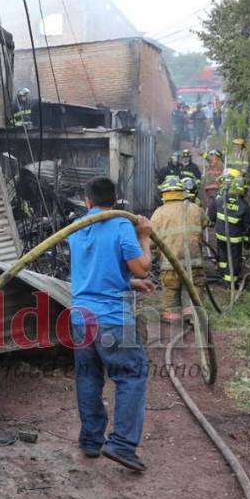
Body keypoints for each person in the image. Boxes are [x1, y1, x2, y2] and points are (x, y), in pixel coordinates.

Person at [67, 177, 154, 471]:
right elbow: (142, 265)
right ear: (115, 200)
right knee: (132, 373)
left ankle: (91, 440)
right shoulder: (121, 226)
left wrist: (129, 283)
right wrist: (144, 236)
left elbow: (93, 272)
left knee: (88, 376)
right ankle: (122, 445)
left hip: (81, 318)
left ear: (87, 201)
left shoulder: (76, 230)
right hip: (113, 319)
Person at [151, 176, 210, 322]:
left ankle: (172, 320)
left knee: (171, 292)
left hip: (169, 265)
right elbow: (206, 224)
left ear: (164, 194)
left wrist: (151, 259)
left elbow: (151, 241)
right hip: (195, 263)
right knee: (195, 290)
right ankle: (193, 318)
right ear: (183, 192)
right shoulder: (196, 209)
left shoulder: (159, 213)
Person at [208, 171, 250, 286]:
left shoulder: (221, 198)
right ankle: (230, 282)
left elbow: (212, 213)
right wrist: (247, 242)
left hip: (220, 235)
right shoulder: (244, 205)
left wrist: (213, 222)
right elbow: (247, 226)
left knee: (222, 255)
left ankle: (222, 273)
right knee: (234, 259)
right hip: (234, 239)